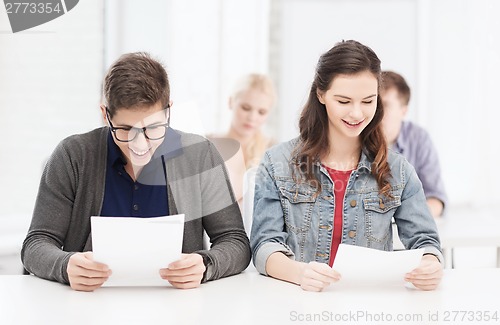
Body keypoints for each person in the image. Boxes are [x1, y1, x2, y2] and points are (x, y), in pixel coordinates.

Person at [21, 52, 251, 291]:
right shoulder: (73, 155)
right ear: (105, 114)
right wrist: (65, 265)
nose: (139, 145)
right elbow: (36, 244)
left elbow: (235, 242)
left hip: (179, 307)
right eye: (124, 129)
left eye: (153, 128)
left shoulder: (199, 155)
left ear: (168, 111)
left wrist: (205, 264)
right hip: (87, 305)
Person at [250, 40, 443, 292]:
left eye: (368, 101)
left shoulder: (399, 170)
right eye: (343, 101)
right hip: (299, 303)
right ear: (321, 94)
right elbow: (265, 245)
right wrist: (299, 273)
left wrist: (430, 264)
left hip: (367, 306)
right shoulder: (277, 163)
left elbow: (426, 241)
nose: (356, 113)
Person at [380, 71, 447, 218]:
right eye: (373, 103)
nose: (377, 112)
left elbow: (436, 198)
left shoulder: (419, 139)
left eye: (385, 105)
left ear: (403, 111)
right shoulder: (354, 135)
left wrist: (411, 216)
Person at [209, 73, 276, 205]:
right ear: (230, 102)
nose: (252, 117)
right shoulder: (207, 144)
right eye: (246, 108)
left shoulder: (273, 151)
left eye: (261, 112)